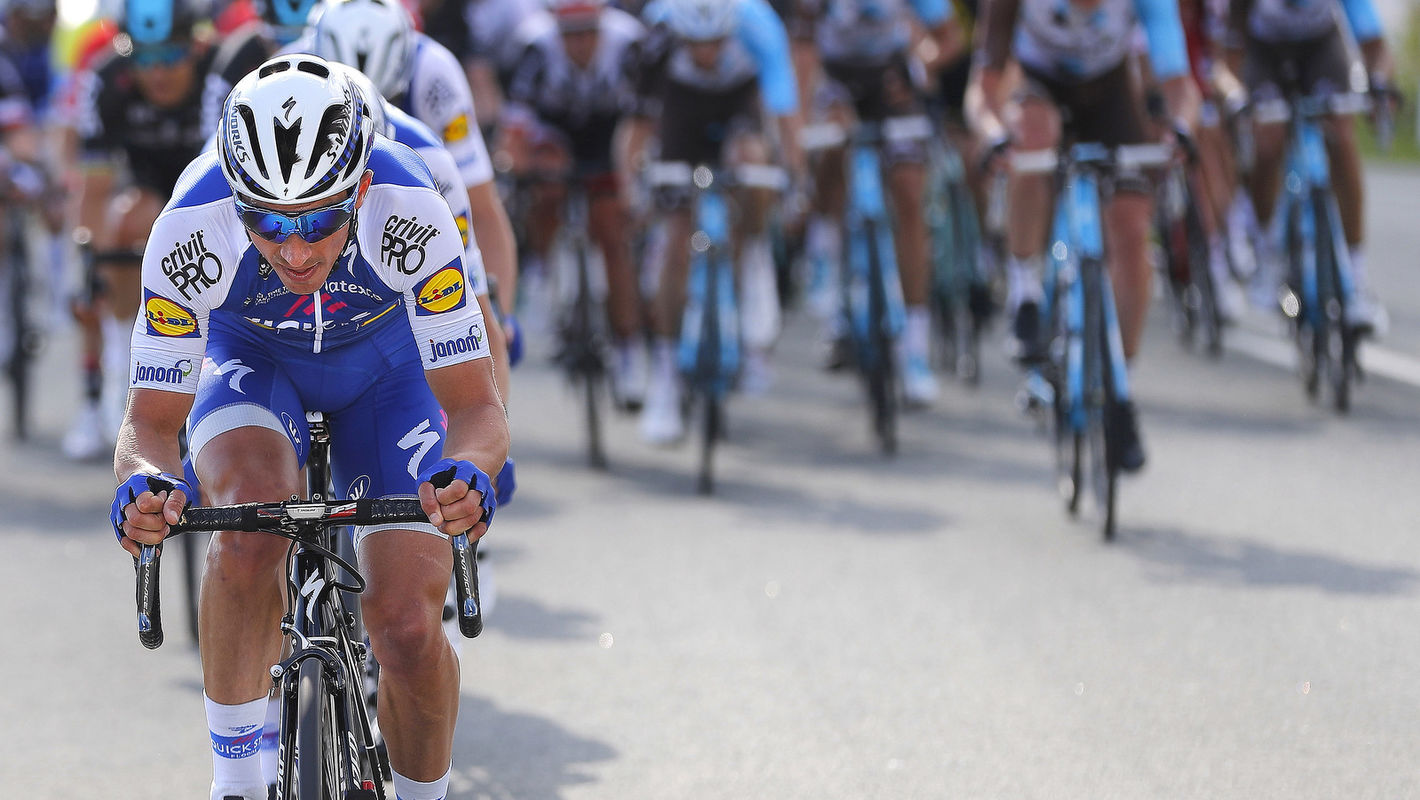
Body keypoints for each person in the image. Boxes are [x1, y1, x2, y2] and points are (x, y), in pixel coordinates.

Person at [110, 54, 509, 800]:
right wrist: (145, 485)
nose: (295, 250)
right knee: (250, 519)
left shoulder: (410, 207)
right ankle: (236, 783)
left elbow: (477, 408)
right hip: (251, 354)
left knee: (408, 629)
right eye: (265, 221)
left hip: (389, 370)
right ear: (235, 197)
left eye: (321, 219)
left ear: (359, 189)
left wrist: (473, 472)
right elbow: (149, 427)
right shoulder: (190, 227)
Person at [976, 0, 1200, 471]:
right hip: (1038, 87)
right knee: (1031, 136)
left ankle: (1119, 391)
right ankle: (1026, 294)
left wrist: (1180, 130)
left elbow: (1180, 85)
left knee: (1133, 226)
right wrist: (994, 132)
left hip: (1109, 92)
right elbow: (984, 88)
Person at [308, 0, 523, 366]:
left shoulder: (435, 72)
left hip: (415, 176)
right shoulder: (290, 70)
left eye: (387, 100)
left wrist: (495, 317)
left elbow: (480, 206)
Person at [630, 0, 804, 444]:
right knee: (675, 241)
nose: (707, 54)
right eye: (696, 44)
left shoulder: (760, 27)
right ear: (680, 35)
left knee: (754, 164)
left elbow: (784, 117)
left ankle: (749, 268)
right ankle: (666, 378)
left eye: (716, 43)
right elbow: (639, 126)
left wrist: (795, 181)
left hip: (737, 116)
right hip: (680, 122)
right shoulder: (657, 36)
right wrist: (634, 185)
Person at [65, 0, 217, 459]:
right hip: (147, 189)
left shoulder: (220, 74)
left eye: (170, 56)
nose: (158, 73)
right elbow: (93, 187)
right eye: (145, 59)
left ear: (195, 46)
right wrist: (89, 268)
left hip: (216, 188)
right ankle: (108, 383)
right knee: (118, 228)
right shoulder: (108, 79)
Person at [803, 0, 964, 407]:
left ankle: (914, 346)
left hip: (892, 80)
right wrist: (806, 109)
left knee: (910, 191)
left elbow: (950, 36)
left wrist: (922, 64)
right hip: (835, 81)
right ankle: (829, 269)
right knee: (829, 154)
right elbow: (798, 48)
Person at [504, 0, 649, 406]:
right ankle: (542, 265)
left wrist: (631, 175)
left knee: (612, 234)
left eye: (589, 32)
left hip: (611, 138)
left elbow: (644, 121)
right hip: (557, 133)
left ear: (604, 25)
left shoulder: (630, 45)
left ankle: (628, 353)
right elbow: (517, 122)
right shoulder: (535, 46)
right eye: (570, 34)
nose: (580, 43)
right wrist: (523, 163)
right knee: (545, 185)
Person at [1224, 0, 1394, 332]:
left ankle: (1356, 280)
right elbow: (1231, 54)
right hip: (1264, 54)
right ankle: (1268, 253)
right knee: (1268, 140)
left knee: (1342, 138)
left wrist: (1379, 84)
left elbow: (1377, 47)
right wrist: (1237, 97)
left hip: (1321, 49)